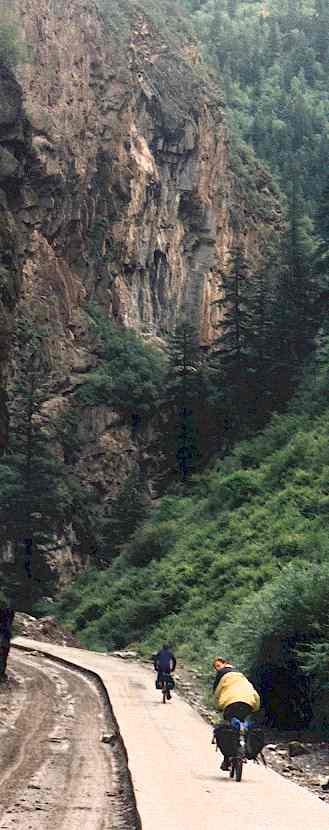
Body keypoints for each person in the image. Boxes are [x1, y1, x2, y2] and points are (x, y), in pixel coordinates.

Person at [212, 656, 260, 770]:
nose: (218, 669)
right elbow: (254, 694)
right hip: (248, 702)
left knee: (228, 728)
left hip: (230, 703)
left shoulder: (223, 676)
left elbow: (217, 693)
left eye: (218, 666)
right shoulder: (242, 677)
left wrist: (218, 706)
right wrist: (255, 708)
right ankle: (245, 740)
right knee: (244, 720)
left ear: (225, 664)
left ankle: (226, 760)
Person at [0, 595, 15, 682]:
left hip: (4, 635)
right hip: (5, 635)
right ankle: (1, 675)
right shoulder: (9, 609)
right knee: (3, 655)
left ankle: (1, 674)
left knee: (3, 654)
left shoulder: (9, 609)